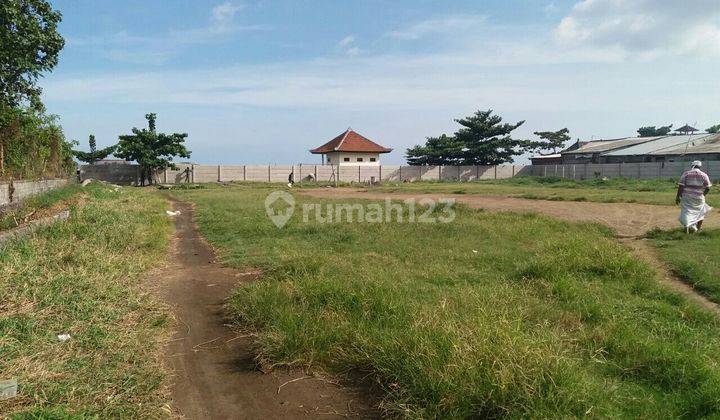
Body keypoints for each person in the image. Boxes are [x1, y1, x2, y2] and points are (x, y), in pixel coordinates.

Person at [676, 160, 712, 233]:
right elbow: (708, 187)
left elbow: (681, 186)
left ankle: (686, 228)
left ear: (692, 166)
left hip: (687, 196)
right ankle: (698, 229)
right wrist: (703, 194)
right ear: (700, 166)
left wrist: (678, 196)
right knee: (700, 212)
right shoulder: (704, 175)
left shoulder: (686, 174)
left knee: (686, 211)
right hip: (698, 197)